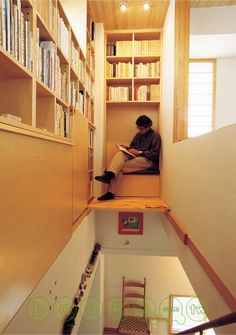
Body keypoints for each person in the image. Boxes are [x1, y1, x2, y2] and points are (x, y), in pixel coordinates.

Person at [95, 115, 161, 201]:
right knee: (121, 153)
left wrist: (140, 152)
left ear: (148, 127)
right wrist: (126, 148)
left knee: (119, 167)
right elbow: (132, 147)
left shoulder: (155, 136)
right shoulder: (138, 135)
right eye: (138, 128)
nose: (139, 130)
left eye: (141, 129)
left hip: (148, 160)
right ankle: (109, 174)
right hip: (135, 157)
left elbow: (155, 154)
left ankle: (110, 191)